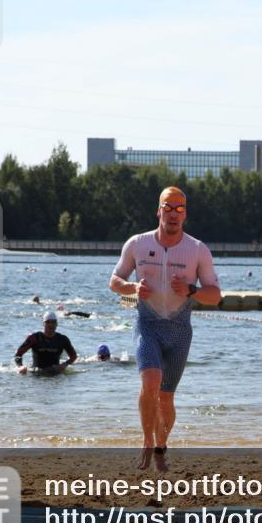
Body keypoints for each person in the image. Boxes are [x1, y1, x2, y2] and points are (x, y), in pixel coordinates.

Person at [108, 186, 222, 472]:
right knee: (150, 381)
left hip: (180, 330)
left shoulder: (197, 249)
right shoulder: (137, 243)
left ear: (185, 215)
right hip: (147, 324)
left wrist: (191, 290)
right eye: (168, 208)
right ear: (158, 211)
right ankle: (147, 440)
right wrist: (132, 288)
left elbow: (215, 295)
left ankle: (161, 444)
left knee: (166, 397)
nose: (173, 214)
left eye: (179, 209)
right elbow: (114, 281)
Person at [14, 311, 77, 375]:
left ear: (57, 324)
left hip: (55, 372)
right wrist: (20, 366)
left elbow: (73, 356)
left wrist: (64, 364)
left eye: (53, 322)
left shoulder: (63, 339)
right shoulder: (34, 337)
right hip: (36, 373)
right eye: (48, 322)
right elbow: (18, 354)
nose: (50, 324)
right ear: (43, 324)